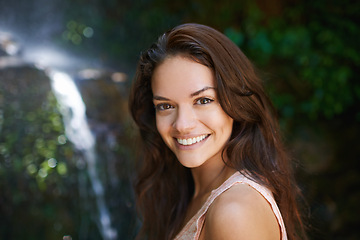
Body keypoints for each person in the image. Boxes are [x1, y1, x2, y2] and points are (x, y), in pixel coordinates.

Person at [129, 23, 307, 240]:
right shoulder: (187, 192)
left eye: (203, 100)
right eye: (165, 106)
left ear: (236, 103)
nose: (182, 125)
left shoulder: (235, 211)